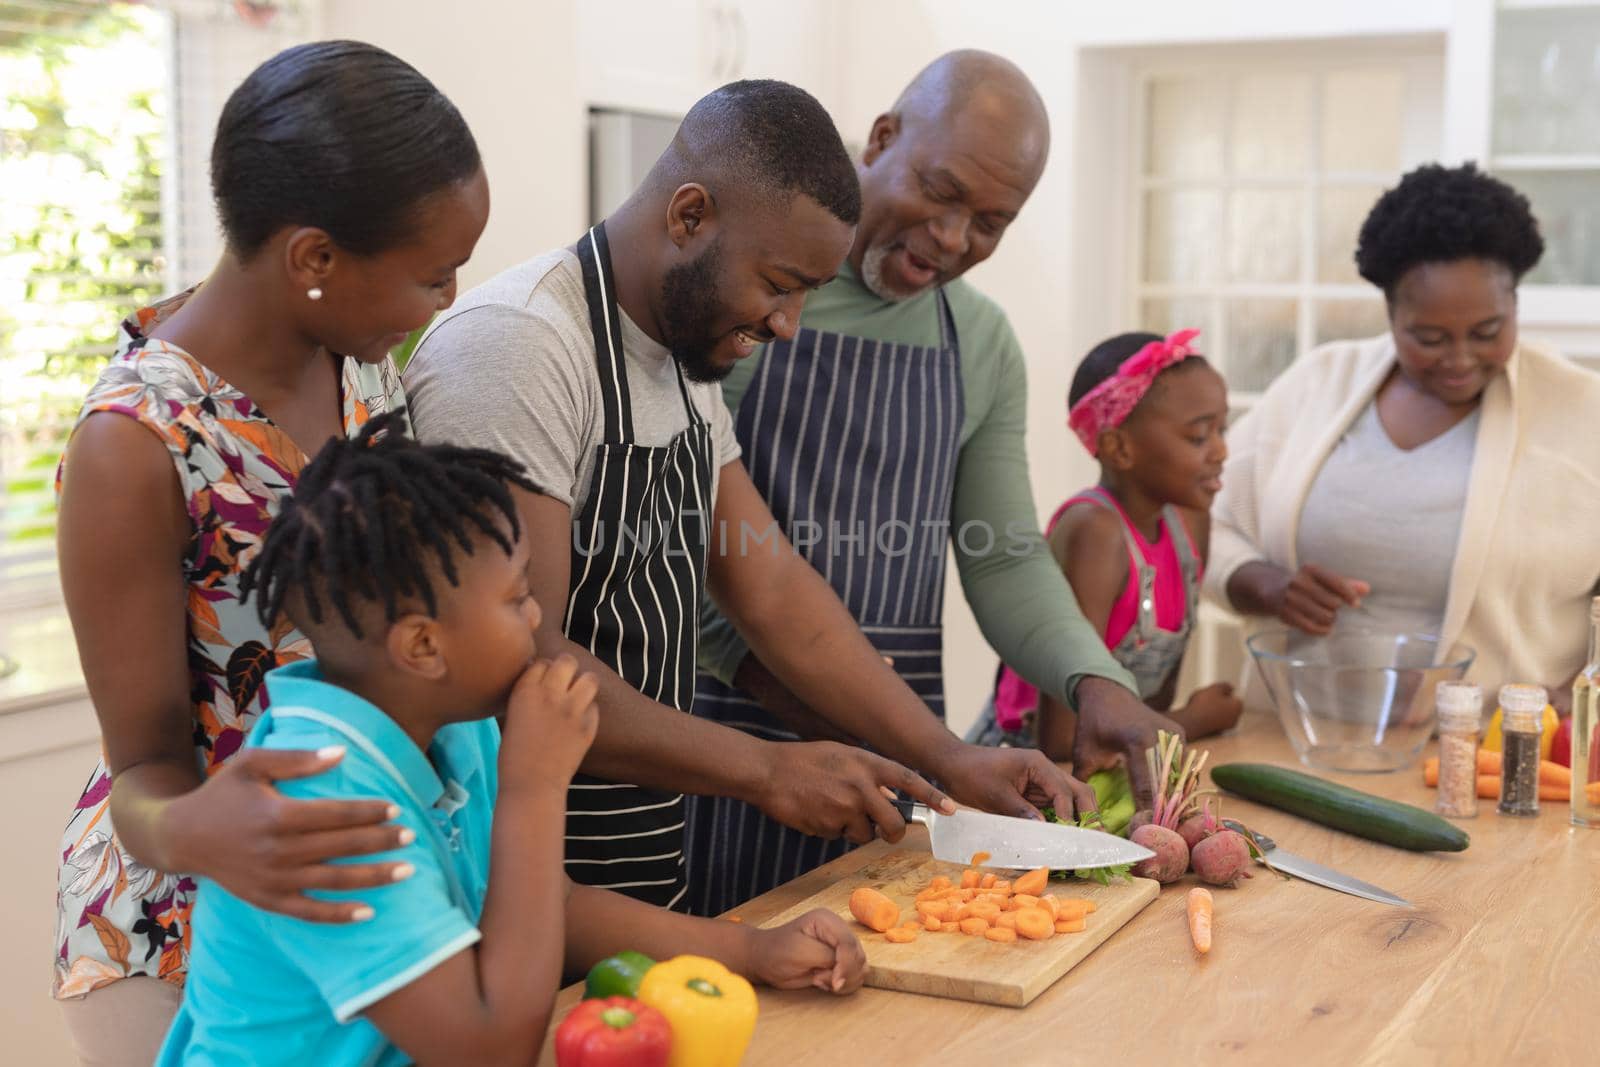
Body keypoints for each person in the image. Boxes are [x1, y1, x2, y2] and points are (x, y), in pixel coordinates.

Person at [404, 78, 1094, 915]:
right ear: (690, 216)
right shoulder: (521, 348)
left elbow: (769, 586)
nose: (790, 323)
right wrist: (764, 766)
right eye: (779, 283)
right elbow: (525, 663)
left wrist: (948, 757)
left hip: (640, 850)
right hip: (515, 871)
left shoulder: (680, 356)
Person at [155, 415, 866, 1067]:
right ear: (425, 646)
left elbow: (553, 904)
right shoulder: (324, 802)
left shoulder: (455, 722)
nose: (536, 619)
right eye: (516, 598)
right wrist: (536, 784)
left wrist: (750, 948)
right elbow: (488, 1050)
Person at [52, 41, 489, 1063]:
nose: (451, 297)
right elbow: (145, 766)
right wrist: (198, 826)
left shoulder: (365, 371)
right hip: (186, 931)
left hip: (355, 901)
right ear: (314, 259)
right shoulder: (135, 441)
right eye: (434, 273)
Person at [685, 52, 1176, 915]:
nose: (953, 239)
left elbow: (1002, 554)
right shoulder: (745, 300)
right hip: (721, 728)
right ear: (881, 139)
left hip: (903, 751)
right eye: (940, 193)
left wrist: (1094, 680)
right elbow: (681, 538)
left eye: (990, 222)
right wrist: (807, 698)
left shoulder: (979, 342)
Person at [1210, 162, 1600, 715]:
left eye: (1488, 332)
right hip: (1293, 741)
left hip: (1497, 764)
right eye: (1430, 337)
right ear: (1390, 313)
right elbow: (1201, 522)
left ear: (1516, 303)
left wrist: (1586, 690)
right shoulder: (1317, 385)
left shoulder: (1585, 411)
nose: (1460, 359)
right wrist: (1265, 585)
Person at [968, 329, 1244, 754]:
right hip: (1028, 765)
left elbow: (1151, 703)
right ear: (1120, 449)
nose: (1222, 451)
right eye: (1198, 436)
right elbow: (1063, 740)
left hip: (1118, 758)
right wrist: (1195, 720)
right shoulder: (1094, 533)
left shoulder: (1190, 523)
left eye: (1222, 429)